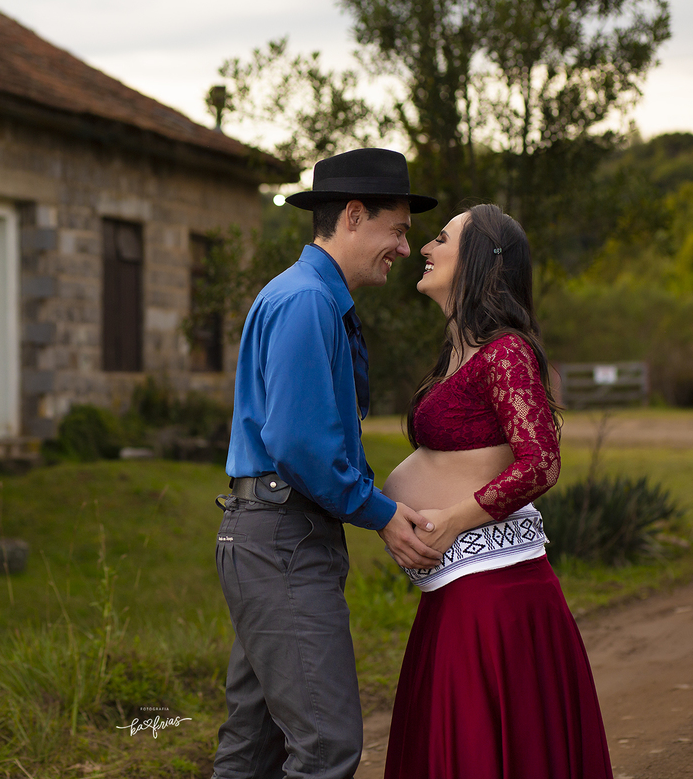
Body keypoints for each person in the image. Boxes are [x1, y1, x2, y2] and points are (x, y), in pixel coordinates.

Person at [214, 148, 441, 779]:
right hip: (282, 539)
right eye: (396, 230)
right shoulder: (307, 301)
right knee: (326, 745)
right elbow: (301, 443)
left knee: (253, 748)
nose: (403, 247)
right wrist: (383, 513)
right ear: (354, 214)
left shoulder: (313, 297)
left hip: (275, 534)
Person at [381, 203, 612, 778]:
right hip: (456, 587)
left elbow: (541, 462)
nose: (423, 249)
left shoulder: (505, 352)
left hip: (495, 596)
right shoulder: (458, 355)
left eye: (441, 239)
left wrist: (454, 519)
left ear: (479, 262)